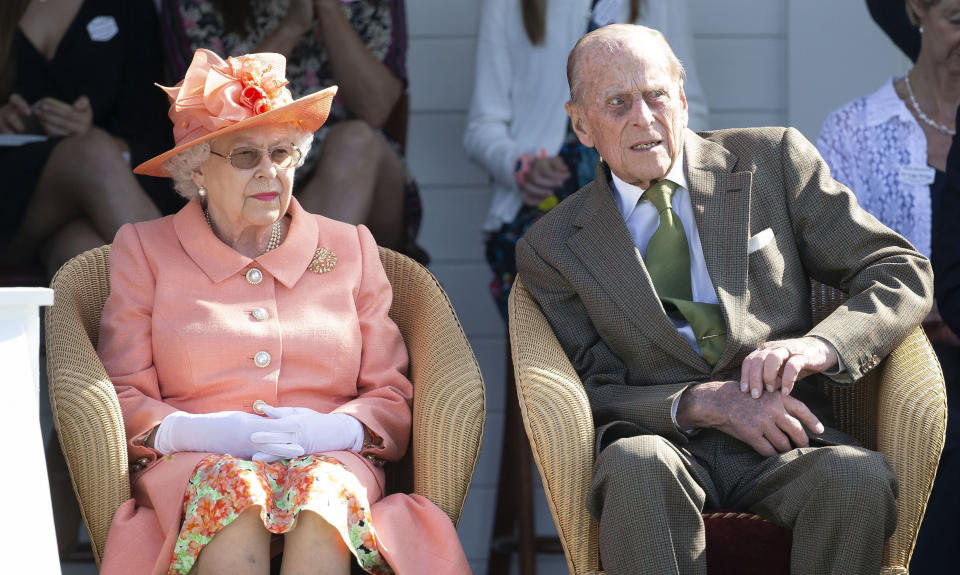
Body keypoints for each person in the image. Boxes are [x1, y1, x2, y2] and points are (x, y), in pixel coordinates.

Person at [516, 24, 933, 575]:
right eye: (617, 103)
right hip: (665, 443)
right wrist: (704, 402)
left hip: (789, 436)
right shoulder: (553, 246)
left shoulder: (772, 161)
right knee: (635, 464)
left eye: (656, 95)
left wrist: (819, 346)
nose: (643, 118)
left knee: (856, 477)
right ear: (581, 123)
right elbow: (591, 387)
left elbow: (900, 270)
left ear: (683, 100)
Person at [95, 49, 469, 575]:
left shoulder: (351, 249)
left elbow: (389, 396)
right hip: (195, 469)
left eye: (283, 152)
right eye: (246, 155)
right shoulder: (144, 250)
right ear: (197, 170)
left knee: (321, 493)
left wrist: (332, 432)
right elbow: (122, 395)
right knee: (233, 494)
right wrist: (192, 432)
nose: (269, 170)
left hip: (331, 462)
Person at [817, 2, 960, 570]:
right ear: (917, 11)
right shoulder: (853, 129)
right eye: (956, 16)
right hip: (891, 354)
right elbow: (824, 268)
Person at [464, 0, 708, 319]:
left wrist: (663, 170)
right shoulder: (506, 5)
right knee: (547, 278)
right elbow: (482, 128)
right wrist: (519, 168)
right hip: (543, 205)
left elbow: (690, 109)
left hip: (643, 191)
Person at [160, 0, 427, 263]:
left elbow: (376, 109)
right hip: (241, 155)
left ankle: (305, 285)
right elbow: (195, 111)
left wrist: (329, 11)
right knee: (239, 153)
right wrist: (293, 25)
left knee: (356, 141)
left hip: (355, 166)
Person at [0, 0, 171, 278]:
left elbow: (151, 136)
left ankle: (182, 304)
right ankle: (191, 295)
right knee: (92, 152)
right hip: (10, 184)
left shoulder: (129, 9)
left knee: (84, 251)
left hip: (85, 199)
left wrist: (86, 129)